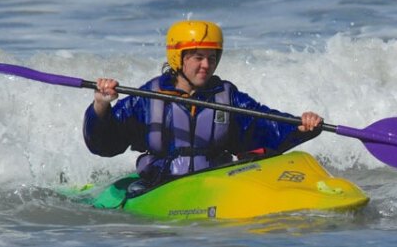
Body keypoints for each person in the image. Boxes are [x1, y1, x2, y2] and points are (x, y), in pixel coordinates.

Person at [84, 20, 324, 188]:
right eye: (198, 57)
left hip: (215, 183)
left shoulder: (226, 96)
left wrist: (299, 127)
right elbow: (105, 144)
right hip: (161, 186)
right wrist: (101, 106)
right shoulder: (149, 98)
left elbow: (263, 126)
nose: (206, 65)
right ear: (178, 58)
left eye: (212, 58)